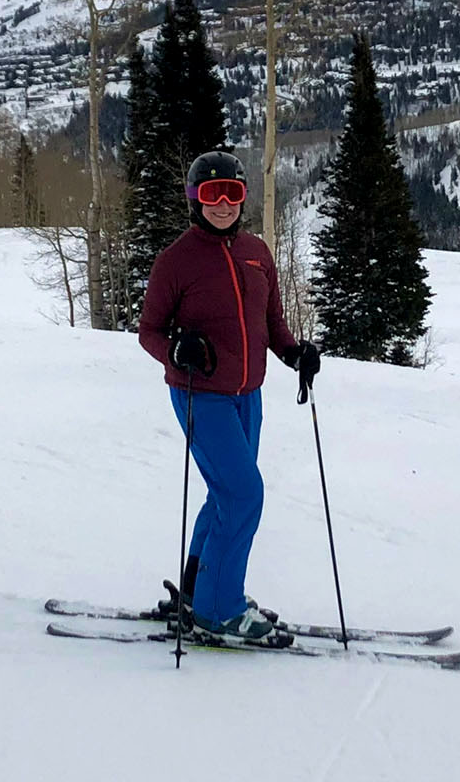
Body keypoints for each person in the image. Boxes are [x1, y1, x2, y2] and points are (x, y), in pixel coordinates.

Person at [137, 150, 321, 643]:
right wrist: (177, 349)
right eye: (211, 194)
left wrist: (295, 353)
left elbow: (272, 325)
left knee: (226, 494)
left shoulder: (257, 252)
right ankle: (219, 610)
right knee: (243, 496)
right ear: (194, 200)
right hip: (202, 396)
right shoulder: (176, 260)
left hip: (248, 397)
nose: (222, 204)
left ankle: (199, 589)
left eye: (233, 193)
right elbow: (149, 332)